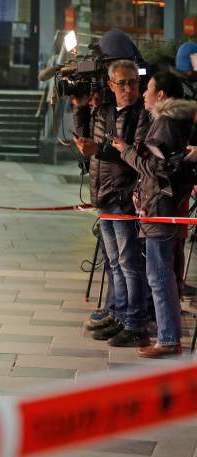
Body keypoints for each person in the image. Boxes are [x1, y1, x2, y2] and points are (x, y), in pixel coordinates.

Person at [114, 71, 197, 358]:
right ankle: (168, 337)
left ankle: (169, 339)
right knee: (161, 273)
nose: (144, 94)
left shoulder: (164, 122)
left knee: (159, 274)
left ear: (161, 95)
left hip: (159, 206)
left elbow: (156, 168)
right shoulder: (172, 120)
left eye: (147, 89)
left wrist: (126, 152)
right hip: (160, 204)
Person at [73, 60, 149, 348]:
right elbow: (85, 142)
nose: (129, 88)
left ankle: (135, 322)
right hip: (102, 194)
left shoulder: (141, 114)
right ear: (110, 86)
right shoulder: (104, 111)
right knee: (114, 263)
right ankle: (118, 315)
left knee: (129, 263)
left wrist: (101, 150)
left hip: (123, 196)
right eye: (122, 83)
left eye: (133, 83)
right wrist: (80, 106)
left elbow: (134, 153)